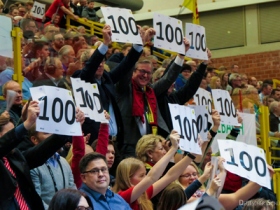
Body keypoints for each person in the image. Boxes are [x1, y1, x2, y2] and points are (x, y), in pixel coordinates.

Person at [0, 101, 85, 209]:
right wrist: (27, 123)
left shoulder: (16, 156)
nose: (16, 138)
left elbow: (43, 150)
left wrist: (69, 127)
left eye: (14, 131)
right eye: (10, 133)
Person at [113, 130, 196, 210]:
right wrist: (173, 148)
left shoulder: (143, 195)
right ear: (127, 177)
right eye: (142, 175)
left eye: (145, 174)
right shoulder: (122, 197)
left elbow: (170, 176)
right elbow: (151, 177)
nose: (145, 177)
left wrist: (192, 154)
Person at [29, 127, 77, 209]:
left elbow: (74, 192)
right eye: (47, 133)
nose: (53, 136)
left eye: (54, 132)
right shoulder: (32, 166)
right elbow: (36, 200)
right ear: (34, 140)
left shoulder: (64, 162)